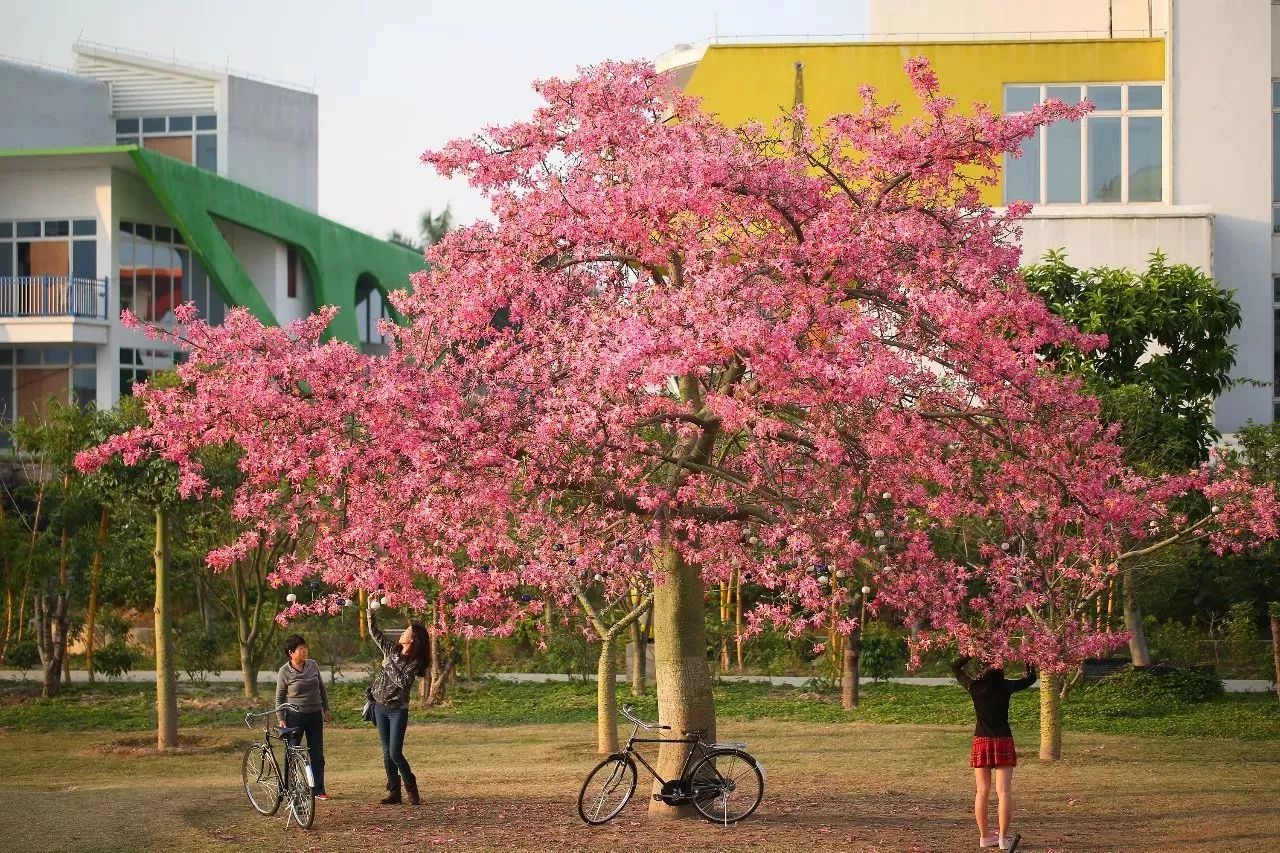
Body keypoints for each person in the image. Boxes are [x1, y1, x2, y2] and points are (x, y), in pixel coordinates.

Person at [951, 655, 1037, 851]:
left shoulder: (975, 687)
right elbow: (1031, 678)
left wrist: (971, 652)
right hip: (1003, 740)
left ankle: (984, 837)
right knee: (1003, 791)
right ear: (1001, 672)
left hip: (981, 740)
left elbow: (955, 667)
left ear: (984, 672)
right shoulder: (1006, 687)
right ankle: (1003, 838)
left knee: (982, 791)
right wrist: (1026, 656)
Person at [367, 605, 432, 805]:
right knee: (387, 751)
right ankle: (394, 793)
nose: (403, 633)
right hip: (379, 706)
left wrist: (387, 664)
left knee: (395, 752)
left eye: (407, 631)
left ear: (412, 639)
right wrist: (370, 612)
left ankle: (411, 787)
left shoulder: (415, 661)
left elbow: (403, 682)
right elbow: (375, 633)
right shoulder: (392, 649)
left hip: (397, 710)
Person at [275, 634, 331, 800]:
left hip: (314, 715)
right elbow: (279, 697)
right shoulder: (284, 671)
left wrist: (326, 708)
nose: (305, 650)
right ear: (291, 653)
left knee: (317, 754)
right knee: (291, 752)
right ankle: (288, 787)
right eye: (301, 649)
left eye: (305, 647)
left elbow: (321, 688)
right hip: (294, 717)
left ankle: (318, 789)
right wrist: (281, 718)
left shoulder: (312, 665)